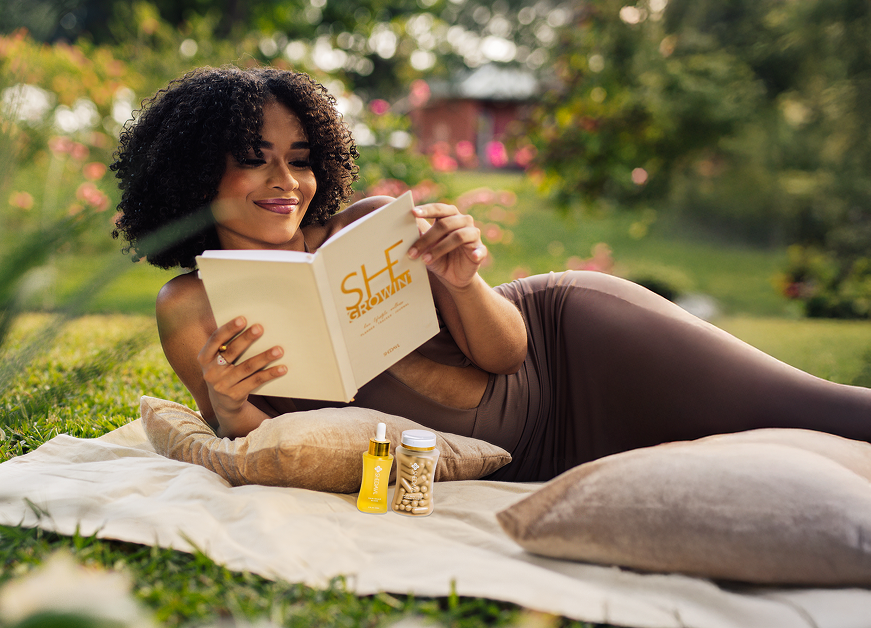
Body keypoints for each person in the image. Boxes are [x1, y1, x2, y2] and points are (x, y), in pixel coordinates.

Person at [110, 66, 871, 482]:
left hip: (577, 352)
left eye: (301, 159)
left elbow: (508, 356)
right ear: (193, 172)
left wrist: (463, 279)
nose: (287, 181)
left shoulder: (364, 226)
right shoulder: (189, 305)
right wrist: (227, 402)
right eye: (255, 159)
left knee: (829, 417)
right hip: (524, 464)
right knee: (783, 462)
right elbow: (248, 444)